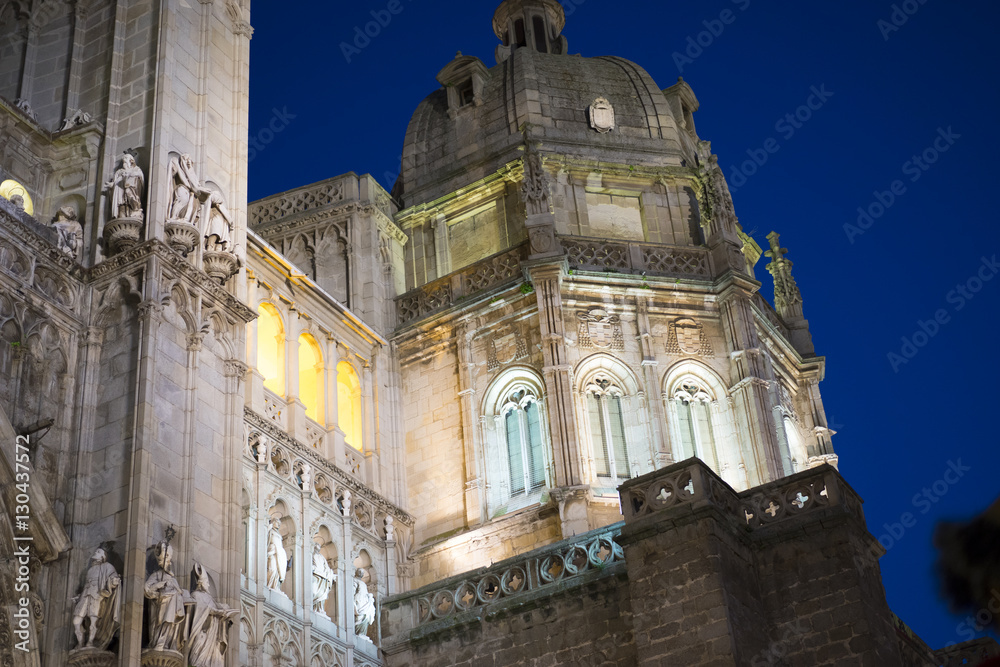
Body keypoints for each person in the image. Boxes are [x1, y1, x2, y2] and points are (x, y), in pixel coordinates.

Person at [187, 563, 238, 667]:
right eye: (207, 582)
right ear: (201, 583)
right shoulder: (196, 595)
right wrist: (216, 611)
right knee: (197, 656)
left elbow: (216, 607)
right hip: (202, 632)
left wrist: (225, 611)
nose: (209, 585)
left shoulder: (210, 599)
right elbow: (201, 611)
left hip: (212, 635)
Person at [72, 548, 121, 649]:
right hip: (85, 596)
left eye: (98, 552)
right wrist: (78, 597)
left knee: (93, 622)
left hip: (97, 595)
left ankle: (90, 642)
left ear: (103, 557)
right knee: (76, 621)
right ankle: (80, 642)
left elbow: (113, 578)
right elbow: (86, 585)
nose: (95, 552)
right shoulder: (90, 570)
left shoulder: (107, 566)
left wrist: (114, 582)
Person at [143, 542, 188, 651]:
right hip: (161, 604)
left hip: (172, 607)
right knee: (164, 621)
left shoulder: (173, 580)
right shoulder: (157, 575)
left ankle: (168, 643)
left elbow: (179, 592)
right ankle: (159, 642)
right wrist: (158, 585)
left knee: (171, 622)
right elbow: (147, 588)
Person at [104, 153, 144, 220]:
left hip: (131, 193)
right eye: (123, 162)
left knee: (131, 199)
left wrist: (129, 174)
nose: (124, 163)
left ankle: (135, 211)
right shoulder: (119, 172)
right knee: (122, 209)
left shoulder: (136, 169)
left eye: (125, 161)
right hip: (121, 197)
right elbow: (115, 182)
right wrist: (113, 185)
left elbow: (140, 177)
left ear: (131, 161)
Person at [266, 517, 288, 590]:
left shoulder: (279, 534)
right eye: (277, 523)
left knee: (278, 571)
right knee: (272, 569)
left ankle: (274, 587)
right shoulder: (270, 530)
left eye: (279, 524)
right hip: (272, 551)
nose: (278, 525)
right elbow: (265, 537)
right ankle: (268, 585)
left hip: (279, 553)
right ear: (273, 522)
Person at [353, 568, 376, 637]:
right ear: (356, 572)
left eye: (362, 572)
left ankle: (361, 633)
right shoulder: (354, 580)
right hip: (358, 600)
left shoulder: (363, 583)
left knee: (365, 616)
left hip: (364, 601)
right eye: (359, 571)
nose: (361, 573)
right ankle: (357, 632)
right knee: (359, 616)